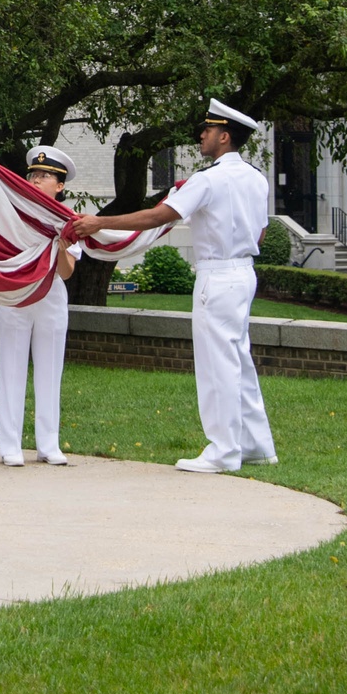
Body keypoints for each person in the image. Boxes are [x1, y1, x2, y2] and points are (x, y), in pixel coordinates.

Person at [70, 99, 276, 473]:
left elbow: (157, 215)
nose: (202, 135)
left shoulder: (208, 179)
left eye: (209, 130)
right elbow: (261, 229)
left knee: (218, 365)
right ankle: (255, 445)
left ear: (224, 136)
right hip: (244, 271)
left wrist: (100, 223)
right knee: (238, 360)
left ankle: (223, 450)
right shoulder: (257, 177)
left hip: (218, 274)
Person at [0, 145, 80, 467]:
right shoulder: (14, 213)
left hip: (52, 294)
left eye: (44, 176)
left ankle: (48, 444)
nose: (35, 179)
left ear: (59, 186)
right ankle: (10, 446)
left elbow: (66, 271)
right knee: (12, 368)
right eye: (32, 174)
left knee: (50, 369)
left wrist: (62, 247)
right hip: (17, 294)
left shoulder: (71, 220)